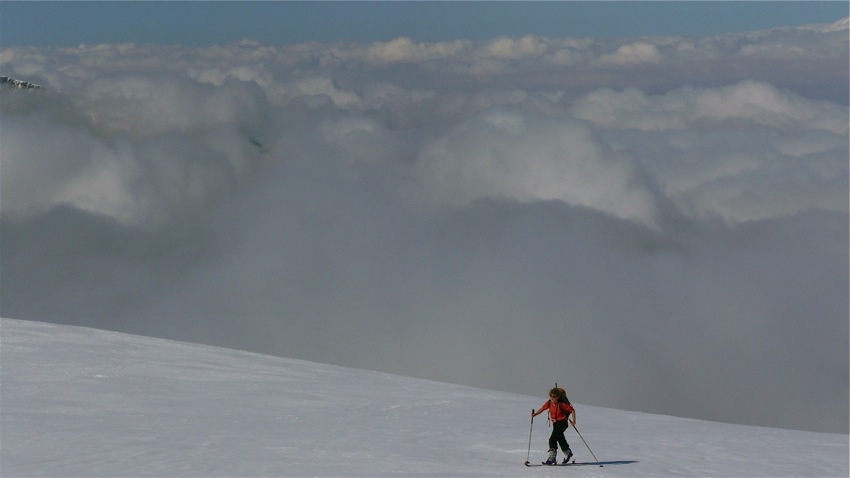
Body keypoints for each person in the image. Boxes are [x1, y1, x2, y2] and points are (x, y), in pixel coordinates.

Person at [532, 386, 576, 465]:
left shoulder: (561, 404)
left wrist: (574, 421)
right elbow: (542, 408)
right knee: (559, 437)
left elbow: (572, 410)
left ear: (558, 397)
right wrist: (535, 414)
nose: (552, 398)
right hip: (555, 424)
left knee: (552, 439)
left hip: (562, 423)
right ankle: (567, 452)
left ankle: (552, 457)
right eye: (551, 396)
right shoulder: (549, 403)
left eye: (554, 396)